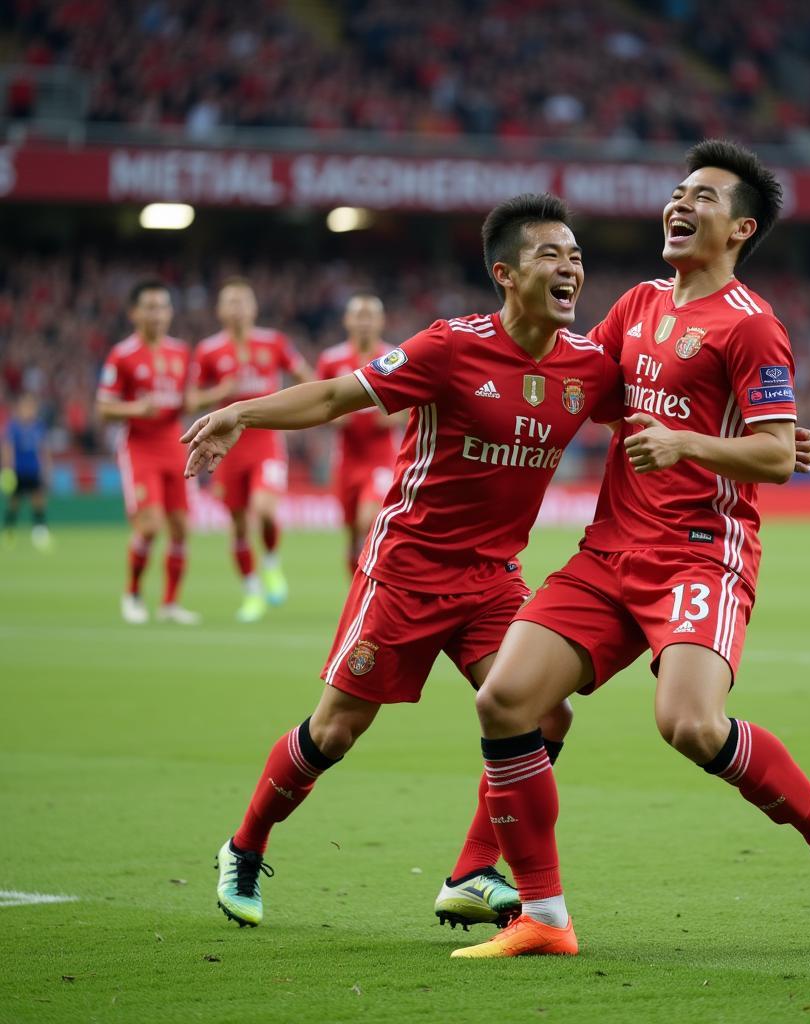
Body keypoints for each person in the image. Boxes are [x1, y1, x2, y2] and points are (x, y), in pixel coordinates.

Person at [451, 140, 810, 960]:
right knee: (506, 701)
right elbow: (591, 382)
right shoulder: (639, 303)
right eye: (677, 192)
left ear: (741, 227)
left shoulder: (752, 327)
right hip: (610, 550)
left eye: (704, 198)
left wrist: (690, 445)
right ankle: (543, 914)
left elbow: (778, 455)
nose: (680, 205)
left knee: (687, 723)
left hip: (698, 552)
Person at [183, 194, 626, 931]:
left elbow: (659, 413)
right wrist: (239, 412)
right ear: (506, 273)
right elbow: (334, 396)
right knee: (335, 733)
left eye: (576, 255)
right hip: (407, 571)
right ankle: (245, 845)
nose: (571, 267)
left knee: (548, 712)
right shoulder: (449, 348)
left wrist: (753, 438)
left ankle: (472, 871)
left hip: (493, 580)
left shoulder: (589, 366)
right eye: (551, 254)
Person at [187, 279, 315, 623]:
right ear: (220, 311)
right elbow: (192, 398)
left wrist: (293, 407)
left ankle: (271, 563)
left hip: (267, 442)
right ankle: (252, 592)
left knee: (266, 510)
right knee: (239, 525)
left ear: (254, 308)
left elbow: (307, 377)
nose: (237, 308)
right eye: (230, 302)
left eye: (243, 301)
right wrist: (220, 391)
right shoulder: (209, 350)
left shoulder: (274, 342)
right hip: (225, 449)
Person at [96, 280, 199, 625]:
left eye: (163, 307)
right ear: (134, 313)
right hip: (140, 448)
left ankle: (170, 603)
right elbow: (104, 408)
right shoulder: (121, 355)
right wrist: (137, 410)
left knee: (181, 527)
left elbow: (185, 400)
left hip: (175, 445)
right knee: (151, 526)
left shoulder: (181, 352)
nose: (157, 314)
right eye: (150, 307)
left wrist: (218, 397)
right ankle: (133, 593)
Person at [316, 295, 399, 576]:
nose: (364, 323)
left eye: (370, 316)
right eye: (359, 316)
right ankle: (357, 592)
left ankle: (376, 583)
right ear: (347, 321)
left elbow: (412, 407)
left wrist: (391, 417)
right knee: (352, 535)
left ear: (381, 322)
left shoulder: (394, 358)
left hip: (381, 459)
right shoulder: (331, 360)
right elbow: (320, 404)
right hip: (346, 461)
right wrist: (334, 419)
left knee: (369, 521)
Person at [1, 392, 52, 550]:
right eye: (26, 407)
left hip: (33, 470)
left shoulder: (38, 426)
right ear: (20, 408)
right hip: (18, 472)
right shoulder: (13, 427)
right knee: (14, 503)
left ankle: (40, 533)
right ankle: (8, 532)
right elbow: (7, 449)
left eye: (32, 407)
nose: (29, 410)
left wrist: (47, 468)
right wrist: (7, 469)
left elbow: (44, 450)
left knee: (38, 502)